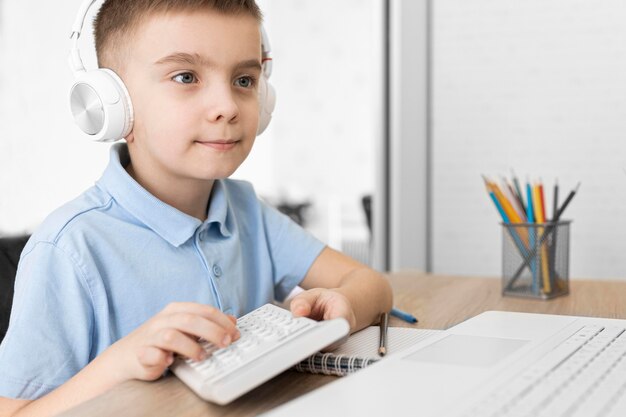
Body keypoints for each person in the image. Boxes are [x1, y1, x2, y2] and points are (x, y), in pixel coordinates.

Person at [0, 0, 393, 415]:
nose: (226, 105)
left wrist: (344, 307)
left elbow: (372, 284)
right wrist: (120, 362)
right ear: (113, 104)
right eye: (186, 76)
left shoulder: (247, 212)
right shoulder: (68, 248)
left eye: (244, 79)